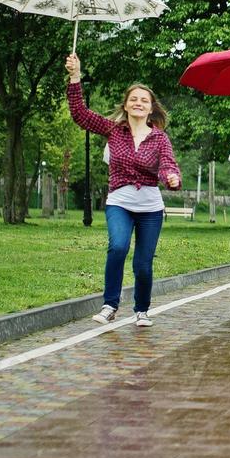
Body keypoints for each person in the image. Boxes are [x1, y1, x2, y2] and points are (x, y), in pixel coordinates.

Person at [64, 54, 181, 328]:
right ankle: (109, 305)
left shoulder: (159, 138)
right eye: (133, 99)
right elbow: (80, 114)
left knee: (142, 263)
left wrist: (171, 177)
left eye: (144, 100)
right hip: (119, 200)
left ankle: (142, 310)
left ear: (151, 108)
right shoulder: (114, 130)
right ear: (126, 105)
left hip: (150, 207)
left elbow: (167, 163)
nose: (138, 103)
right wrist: (75, 76)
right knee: (117, 247)